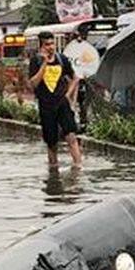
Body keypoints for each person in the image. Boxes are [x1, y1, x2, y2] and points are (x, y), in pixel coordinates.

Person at [27, 31, 83, 168]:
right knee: (51, 141)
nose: (51, 47)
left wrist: (68, 95)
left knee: (71, 136)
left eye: (52, 44)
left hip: (62, 103)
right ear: (41, 46)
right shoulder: (36, 61)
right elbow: (33, 83)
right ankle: (53, 168)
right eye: (47, 44)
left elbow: (75, 78)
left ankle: (78, 165)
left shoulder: (61, 59)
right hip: (46, 105)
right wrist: (44, 64)